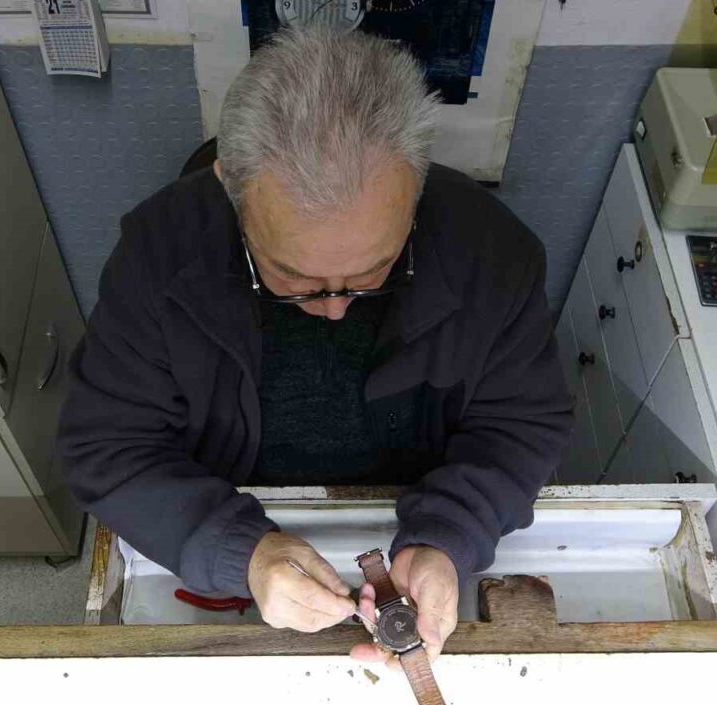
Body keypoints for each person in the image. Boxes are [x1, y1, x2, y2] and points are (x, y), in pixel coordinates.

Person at [57, 27, 574, 668]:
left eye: (373, 272)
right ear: (230, 188)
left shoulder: (497, 255)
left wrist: (448, 536)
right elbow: (105, 445)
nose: (334, 309)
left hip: (413, 509)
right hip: (228, 509)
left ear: (416, 192)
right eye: (293, 278)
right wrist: (239, 553)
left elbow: (521, 424)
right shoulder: (156, 257)